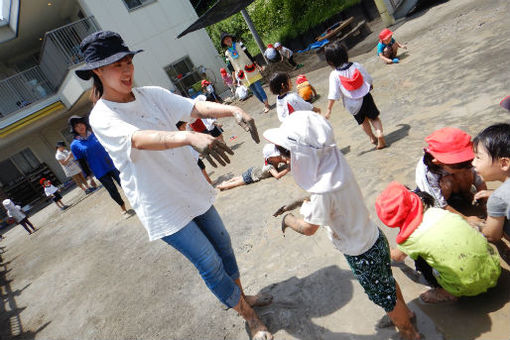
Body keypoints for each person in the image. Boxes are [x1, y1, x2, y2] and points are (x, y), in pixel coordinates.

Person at [75, 30, 272, 340]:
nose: (127, 70)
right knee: (208, 261)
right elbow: (139, 139)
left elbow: (195, 108)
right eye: (117, 65)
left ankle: (242, 296)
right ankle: (248, 316)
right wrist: (188, 136)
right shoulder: (101, 116)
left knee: (223, 245)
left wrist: (234, 110)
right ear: (97, 71)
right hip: (160, 204)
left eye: (128, 62)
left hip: (187, 186)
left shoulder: (151, 94)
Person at [266, 111, 419, 340]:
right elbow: (329, 198)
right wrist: (300, 200)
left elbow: (309, 228)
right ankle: (405, 313)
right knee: (388, 282)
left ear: (304, 154)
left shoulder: (322, 191)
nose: (286, 160)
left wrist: (288, 220)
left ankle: (409, 332)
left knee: (384, 296)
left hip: (360, 253)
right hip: (374, 237)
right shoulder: (333, 159)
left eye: (288, 155)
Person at [376, 182, 500, 303]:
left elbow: (397, 257)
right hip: (494, 268)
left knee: (419, 258)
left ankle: (446, 292)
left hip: (468, 286)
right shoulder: (437, 212)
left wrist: (386, 248)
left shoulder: (410, 239)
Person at [415, 127, 486, 223]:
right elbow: (439, 204)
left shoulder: (465, 162)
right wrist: (467, 219)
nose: (468, 165)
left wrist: (484, 203)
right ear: (438, 162)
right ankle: (454, 202)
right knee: (447, 182)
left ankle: (465, 195)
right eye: (460, 166)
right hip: (440, 193)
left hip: (455, 184)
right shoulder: (428, 172)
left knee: (465, 172)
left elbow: (480, 182)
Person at [69, 115, 135, 218]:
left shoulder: (96, 133)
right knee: (112, 190)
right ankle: (123, 209)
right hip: (99, 170)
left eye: (81, 123)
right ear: (74, 129)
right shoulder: (75, 145)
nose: (80, 127)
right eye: (77, 126)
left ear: (85, 123)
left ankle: (136, 203)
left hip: (112, 164)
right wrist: (88, 177)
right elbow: (81, 162)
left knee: (125, 184)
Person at [324, 42, 386, 149]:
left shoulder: (334, 75)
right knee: (374, 118)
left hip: (352, 104)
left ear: (330, 62)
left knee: (363, 122)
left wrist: (329, 109)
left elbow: (333, 94)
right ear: (345, 54)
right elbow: (368, 78)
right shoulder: (356, 65)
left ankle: (372, 137)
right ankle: (379, 134)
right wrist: (370, 85)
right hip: (366, 97)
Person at [472, 123, 510, 243]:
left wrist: (479, 226)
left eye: (478, 157)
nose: (473, 163)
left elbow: (492, 236)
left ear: (504, 163)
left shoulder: (498, 198)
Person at [221, 32, 271, 114]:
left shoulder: (239, 44)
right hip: (242, 74)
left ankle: (266, 105)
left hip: (250, 69)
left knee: (259, 88)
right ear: (224, 42)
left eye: (228, 38)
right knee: (254, 91)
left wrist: (257, 65)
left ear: (231, 38)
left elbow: (249, 55)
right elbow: (231, 67)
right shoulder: (226, 53)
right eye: (225, 39)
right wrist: (234, 79)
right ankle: (265, 103)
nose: (228, 40)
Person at [216, 144, 289, 191]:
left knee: (239, 178)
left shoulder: (275, 159)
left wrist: (287, 161)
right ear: (270, 158)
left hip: (254, 171)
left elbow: (286, 160)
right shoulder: (269, 166)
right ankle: (221, 186)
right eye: (277, 156)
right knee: (236, 183)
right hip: (252, 176)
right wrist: (288, 168)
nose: (279, 156)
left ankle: (226, 182)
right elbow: (277, 176)